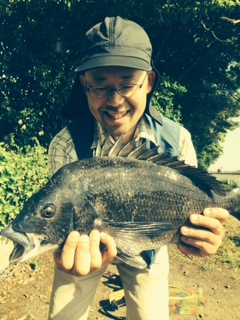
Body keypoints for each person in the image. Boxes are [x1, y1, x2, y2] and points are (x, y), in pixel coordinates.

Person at [47, 16, 229, 320]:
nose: (115, 100)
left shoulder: (177, 140)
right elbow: (60, 219)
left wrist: (199, 238)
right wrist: (60, 252)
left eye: (127, 83)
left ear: (149, 82)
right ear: (84, 85)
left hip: (147, 252)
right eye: (100, 85)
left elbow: (193, 211)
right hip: (85, 250)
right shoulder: (66, 144)